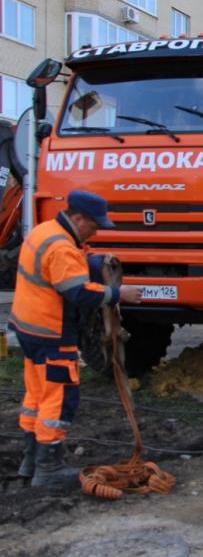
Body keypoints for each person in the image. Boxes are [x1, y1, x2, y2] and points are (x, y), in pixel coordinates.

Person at [10, 191, 142, 487]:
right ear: (79, 218)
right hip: (52, 334)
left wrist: (90, 261)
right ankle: (49, 469)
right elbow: (77, 292)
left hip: (29, 331)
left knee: (37, 396)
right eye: (94, 227)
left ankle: (31, 461)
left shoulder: (45, 232)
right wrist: (119, 294)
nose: (96, 232)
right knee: (58, 400)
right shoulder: (61, 248)